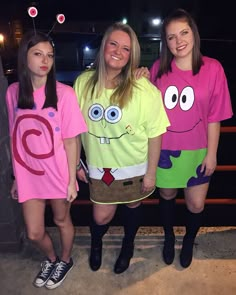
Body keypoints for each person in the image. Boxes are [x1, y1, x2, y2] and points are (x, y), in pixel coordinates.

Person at [74, 22, 170, 274]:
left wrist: (151, 173)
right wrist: (74, 163)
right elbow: (71, 129)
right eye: (113, 43)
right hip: (100, 168)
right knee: (100, 216)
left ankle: (128, 246)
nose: (118, 51)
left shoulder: (143, 89)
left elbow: (155, 133)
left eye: (126, 48)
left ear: (132, 55)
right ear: (103, 46)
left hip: (135, 167)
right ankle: (97, 244)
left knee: (133, 207)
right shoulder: (83, 83)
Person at [149, 8, 233, 268]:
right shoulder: (158, 69)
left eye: (183, 32)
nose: (178, 41)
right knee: (166, 194)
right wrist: (139, 77)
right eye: (171, 37)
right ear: (166, 42)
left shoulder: (213, 68)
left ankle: (188, 240)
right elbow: (145, 110)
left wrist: (212, 153)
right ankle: (168, 236)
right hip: (164, 150)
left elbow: (214, 116)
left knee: (196, 204)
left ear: (193, 34)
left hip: (198, 150)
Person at [6, 31, 87, 289]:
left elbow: (71, 140)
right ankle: (50, 258)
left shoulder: (64, 94)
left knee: (63, 220)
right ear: (24, 57)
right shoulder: (13, 92)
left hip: (58, 172)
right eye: (37, 54)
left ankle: (65, 260)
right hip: (29, 174)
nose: (45, 60)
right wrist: (17, 177)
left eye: (49, 55)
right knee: (34, 232)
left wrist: (72, 180)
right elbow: (15, 136)